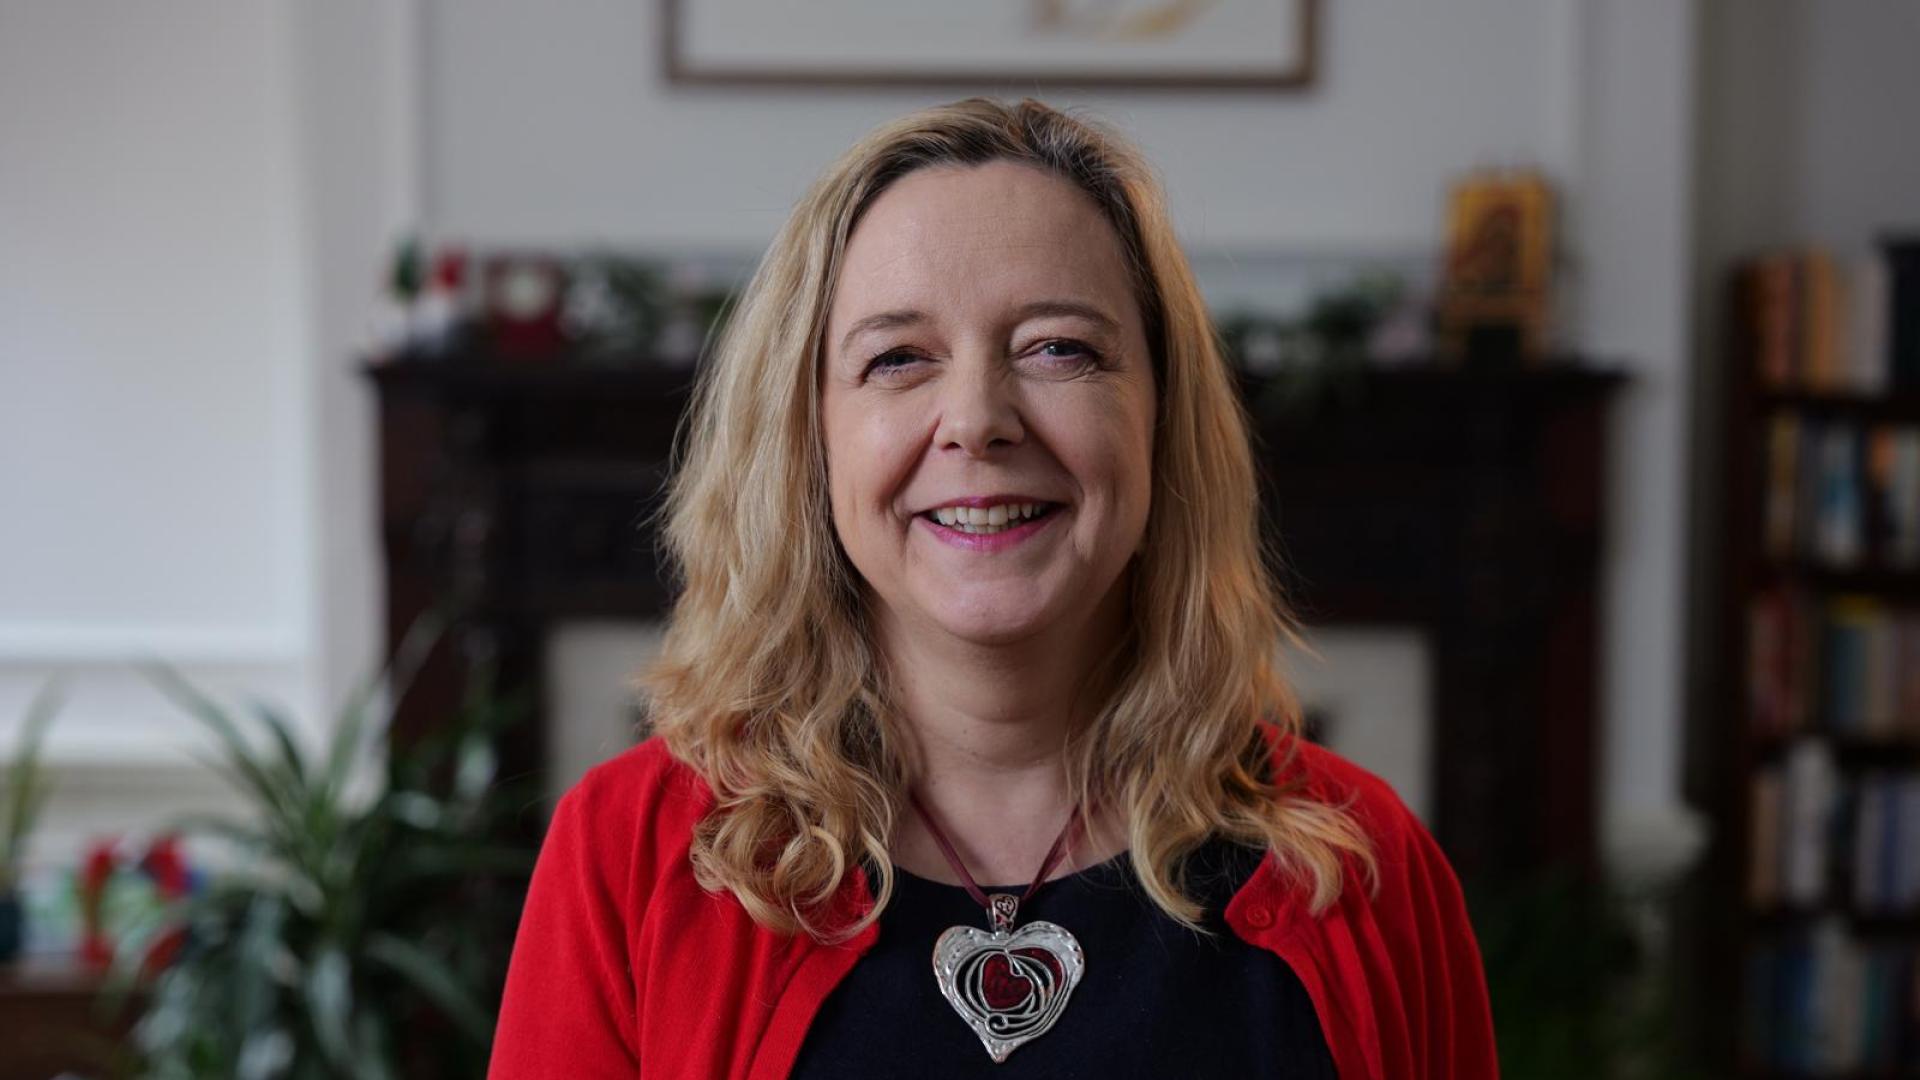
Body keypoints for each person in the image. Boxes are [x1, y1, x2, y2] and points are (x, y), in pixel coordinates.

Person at [487, 97, 1498, 1079]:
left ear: (1160, 419)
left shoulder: (1367, 871)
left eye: (1059, 348)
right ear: (810, 442)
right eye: (897, 358)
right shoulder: (625, 855)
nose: (977, 419)